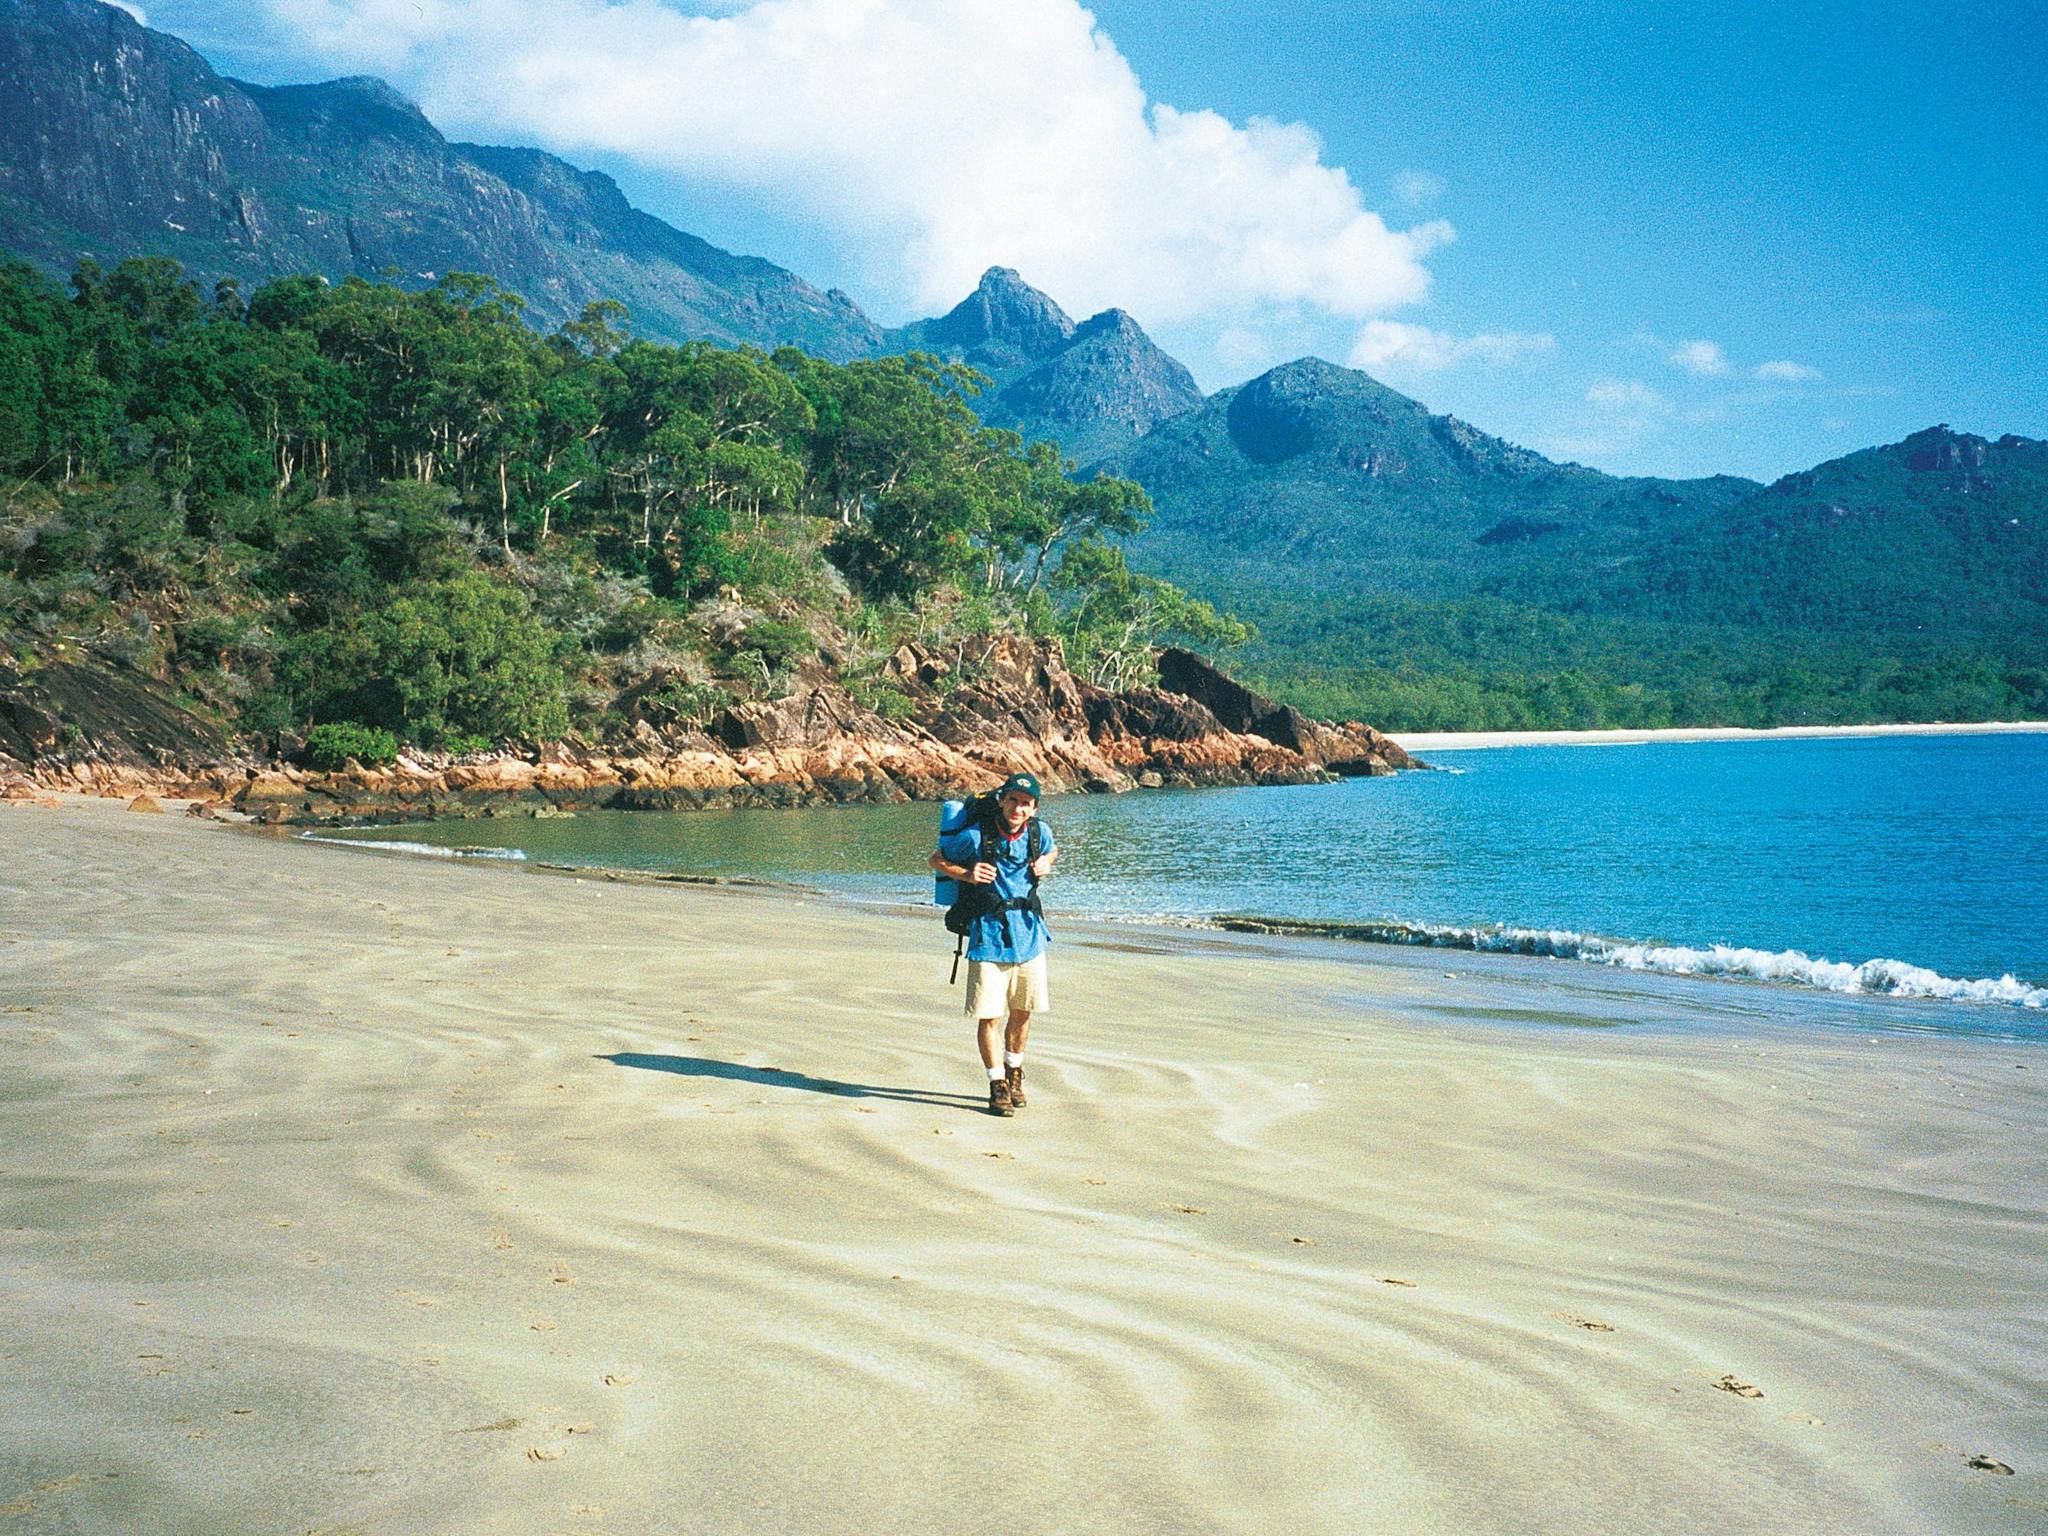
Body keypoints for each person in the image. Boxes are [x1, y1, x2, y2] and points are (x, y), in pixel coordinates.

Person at [929, 772, 1058, 1117]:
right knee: (989, 1016)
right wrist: (966, 875)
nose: (1018, 808)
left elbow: (1052, 850)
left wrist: (1048, 861)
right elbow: (936, 859)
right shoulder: (975, 837)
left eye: (1025, 803)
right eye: (1012, 800)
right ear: (1001, 801)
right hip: (988, 938)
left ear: (1034, 808)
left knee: (1022, 1012)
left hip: (1030, 937)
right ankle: (996, 1083)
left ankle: (1015, 1072)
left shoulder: (1038, 833)